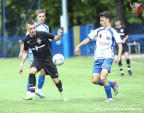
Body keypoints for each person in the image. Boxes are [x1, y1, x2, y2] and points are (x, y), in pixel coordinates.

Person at [75, 11, 123, 102]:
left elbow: (120, 44)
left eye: (102, 20)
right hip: (98, 59)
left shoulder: (113, 32)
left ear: (108, 20)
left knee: (103, 77)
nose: (100, 22)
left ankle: (110, 97)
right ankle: (113, 84)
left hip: (108, 57)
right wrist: (78, 46)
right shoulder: (98, 30)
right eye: (100, 20)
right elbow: (88, 39)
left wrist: (119, 56)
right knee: (95, 80)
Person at [19, 20, 67, 101]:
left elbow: (55, 38)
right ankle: (32, 95)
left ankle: (62, 93)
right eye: (31, 29)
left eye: (34, 27)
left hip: (48, 60)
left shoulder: (42, 34)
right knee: (32, 71)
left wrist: (58, 36)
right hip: (38, 60)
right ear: (27, 29)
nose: (33, 30)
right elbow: (25, 52)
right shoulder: (26, 39)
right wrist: (21, 64)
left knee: (56, 81)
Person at [19, 9, 50, 98]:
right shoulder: (32, 26)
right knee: (33, 70)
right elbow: (26, 41)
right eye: (39, 16)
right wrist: (21, 52)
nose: (41, 18)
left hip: (42, 53)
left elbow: (47, 41)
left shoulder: (46, 27)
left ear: (45, 17)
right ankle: (29, 91)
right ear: (37, 17)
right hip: (32, 52)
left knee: (43, 72)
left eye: (43, 16)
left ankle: (39, 90)